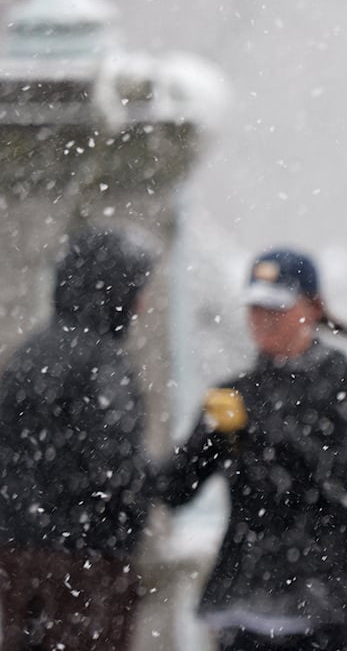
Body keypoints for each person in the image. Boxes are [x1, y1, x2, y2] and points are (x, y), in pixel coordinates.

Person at [156, 248, 347, 651]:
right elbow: (176, 489)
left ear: (313, 308)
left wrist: (279, 435)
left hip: (327, 602)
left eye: (277, 308)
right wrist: (205, 441)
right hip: (245, 600)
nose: (263, 320)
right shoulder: (235, 395)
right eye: (256, 309)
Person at [0, 226, 158, 650]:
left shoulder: (27, 355)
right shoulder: (102, 363)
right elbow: (116, 468)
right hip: (84, 569)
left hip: (14, 561)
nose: (141, 305)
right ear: (114, 291)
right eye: (135, 291)